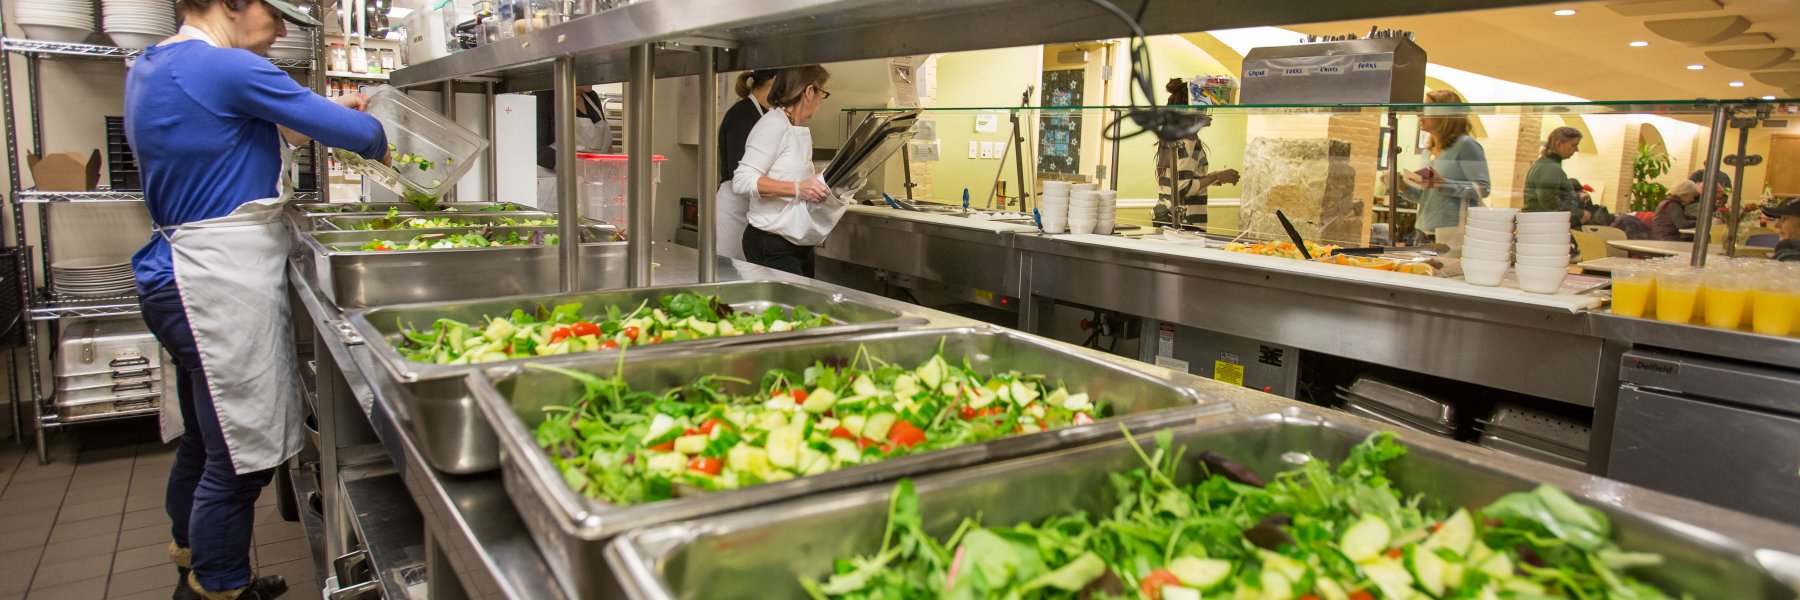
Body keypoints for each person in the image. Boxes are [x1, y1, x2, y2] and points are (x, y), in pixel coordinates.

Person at [126, 0, 387, 598]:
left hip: (173, 274)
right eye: (277, 16)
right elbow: (364, 136)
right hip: (214, 283)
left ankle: (194, 555)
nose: (282, 33)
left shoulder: (156, 64)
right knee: (241, 457)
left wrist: (309, 117)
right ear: (233, 5)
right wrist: (362, 124)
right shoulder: (229, 67)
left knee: (205, 437)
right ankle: (219, 586)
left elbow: (223, 136)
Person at [735, 65, 839, 276]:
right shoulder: (774, 125)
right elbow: (742, 180)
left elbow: (788, 172)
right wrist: (798, 189)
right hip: (771, 243)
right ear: (809, 91)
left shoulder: (791, 126)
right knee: (787, 309)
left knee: (800, 307)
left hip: (794, 240)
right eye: (823, 94)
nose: (821, 101)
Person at [1399, 90, 1491, 238]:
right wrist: (1403, 187)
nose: (1419, 114)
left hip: (1453, 233)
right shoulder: (1428, 152)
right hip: (1424, 231)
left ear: (1444, 113)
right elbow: (1427, 197)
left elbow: (1483, 188)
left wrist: (1443, 183)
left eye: (1426, 108)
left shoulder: (1466, 145)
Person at [1151, 78, 1238, 229]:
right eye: (1202, 107)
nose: (1206, 113)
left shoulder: (1171, 139)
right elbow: (1183, 188)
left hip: (1167, 216)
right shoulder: (1188, 143)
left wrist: (1215, 177)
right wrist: (1216, 176)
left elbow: (1181, 179)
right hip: (1186, 221)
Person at [713, 69, 777, 260]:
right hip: (735, 206)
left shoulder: (769, 115)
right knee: (731, 270)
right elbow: (738, 171)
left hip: (753, 207)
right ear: (774, 80)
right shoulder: (742, 113)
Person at [534, 85, 611, 208]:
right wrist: (583, 166)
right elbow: (536, 150)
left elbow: (606, 145)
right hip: (558, 188)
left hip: (591, 186)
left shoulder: (592, 98)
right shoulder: (543, 97)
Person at [1524, 126, 1582, 228]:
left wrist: (1576, 197)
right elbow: (1548, 200)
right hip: (1542, 226)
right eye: (1574, 145)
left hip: (1538, 224)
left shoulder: (1546, 164)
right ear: (1558, 144)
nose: (1576, 149)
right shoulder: (1550, 167)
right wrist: (1578, 214)